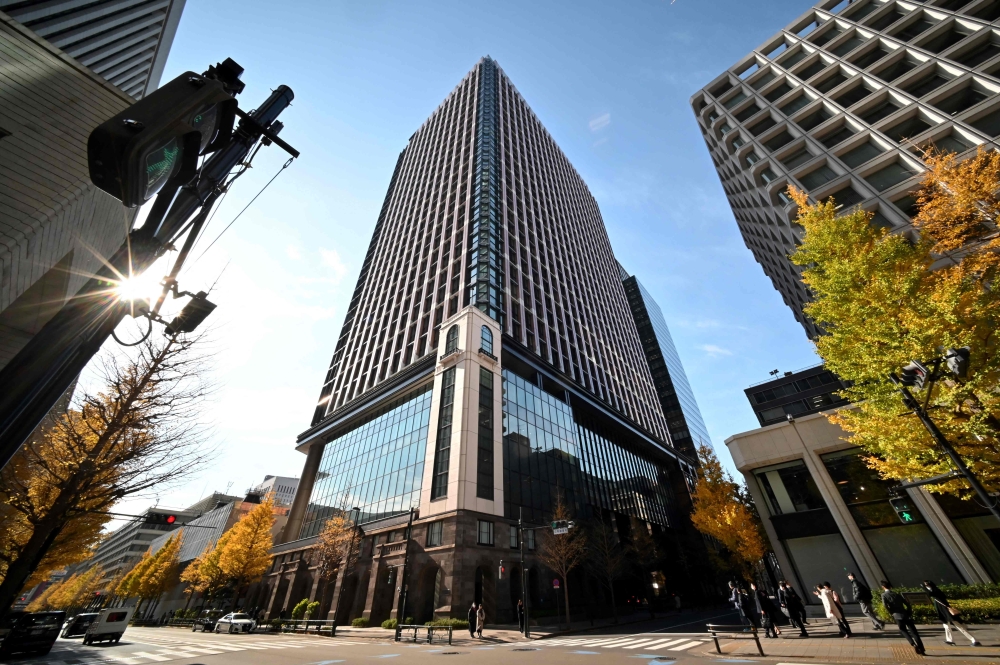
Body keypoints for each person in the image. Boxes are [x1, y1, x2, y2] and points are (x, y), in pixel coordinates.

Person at [922, 580, 979, 646]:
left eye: (926, 585)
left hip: (946, 611)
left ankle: (974, 640)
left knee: (958, 626)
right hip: (943, 612)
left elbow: (930, 594)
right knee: (946, 626)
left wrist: (924, 588)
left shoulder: (936, 590)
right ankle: (950, 640)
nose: (926, 586)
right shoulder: (934, 591)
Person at [881, 580, 924, 655]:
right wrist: (908, 612)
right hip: (905, 614)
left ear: (883, 587)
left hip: (897, 615)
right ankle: (922, 649)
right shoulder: (897, 594)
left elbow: (885, 605)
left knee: (903, 630)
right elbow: (907, 604)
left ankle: (913, 644)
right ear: (890, 587)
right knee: (914, 632)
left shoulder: (884, 595)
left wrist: (891, 612)